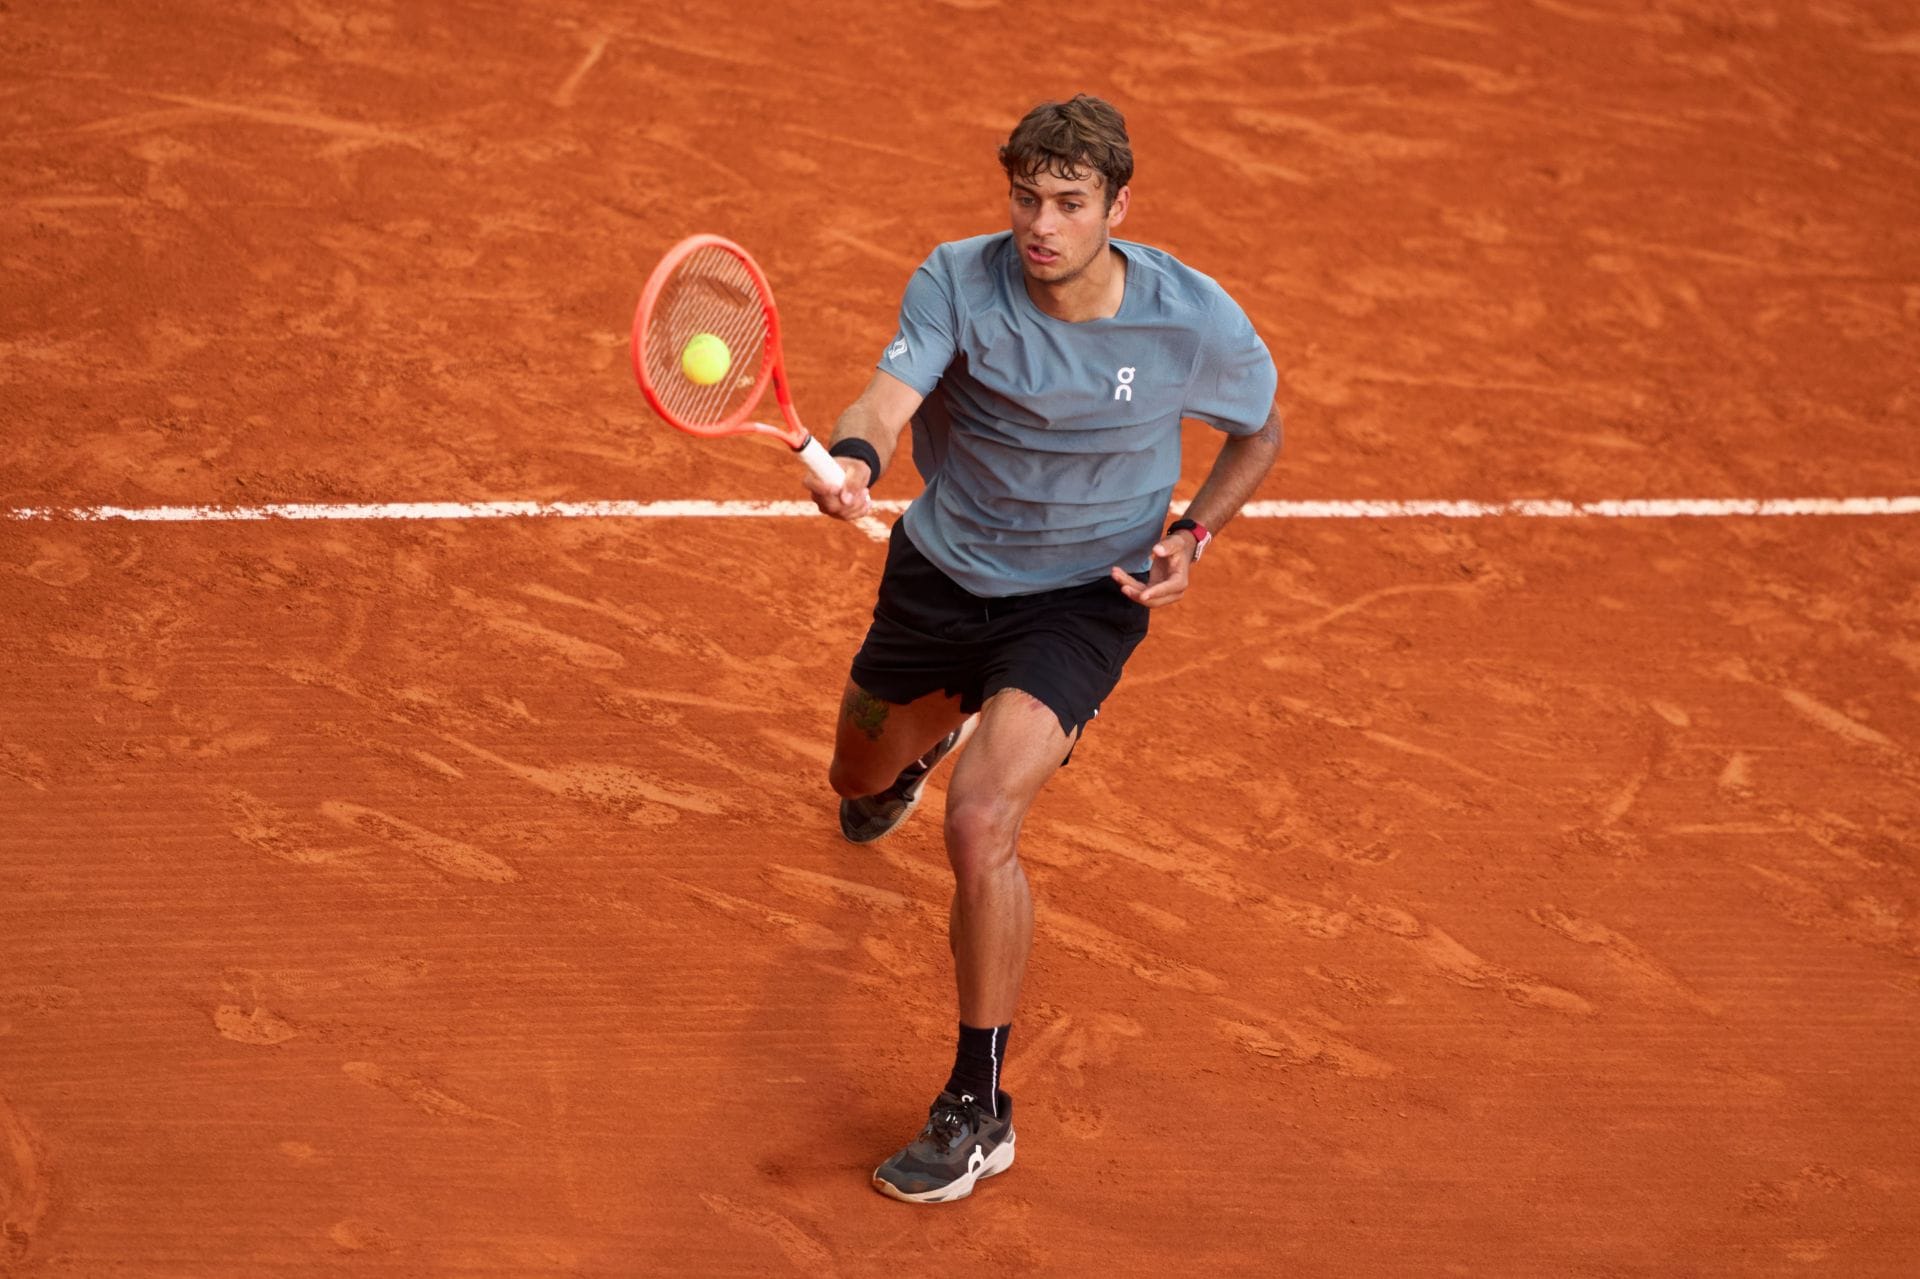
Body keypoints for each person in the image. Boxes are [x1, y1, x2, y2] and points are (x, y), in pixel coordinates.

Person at [803, 93, 1282, 1204]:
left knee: (982, 819)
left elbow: (1262, 425)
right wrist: (858, 460)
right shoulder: (957, 279)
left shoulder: (1190, 320)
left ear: (1121, 205)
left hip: (1079, 600)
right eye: (1028, 197)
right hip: (940, 574)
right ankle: (908, 758)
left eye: (1070, 203)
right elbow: (888, 391)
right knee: (856, 784)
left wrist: (1195, 533)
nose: (1042, 226)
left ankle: (978, 1105)